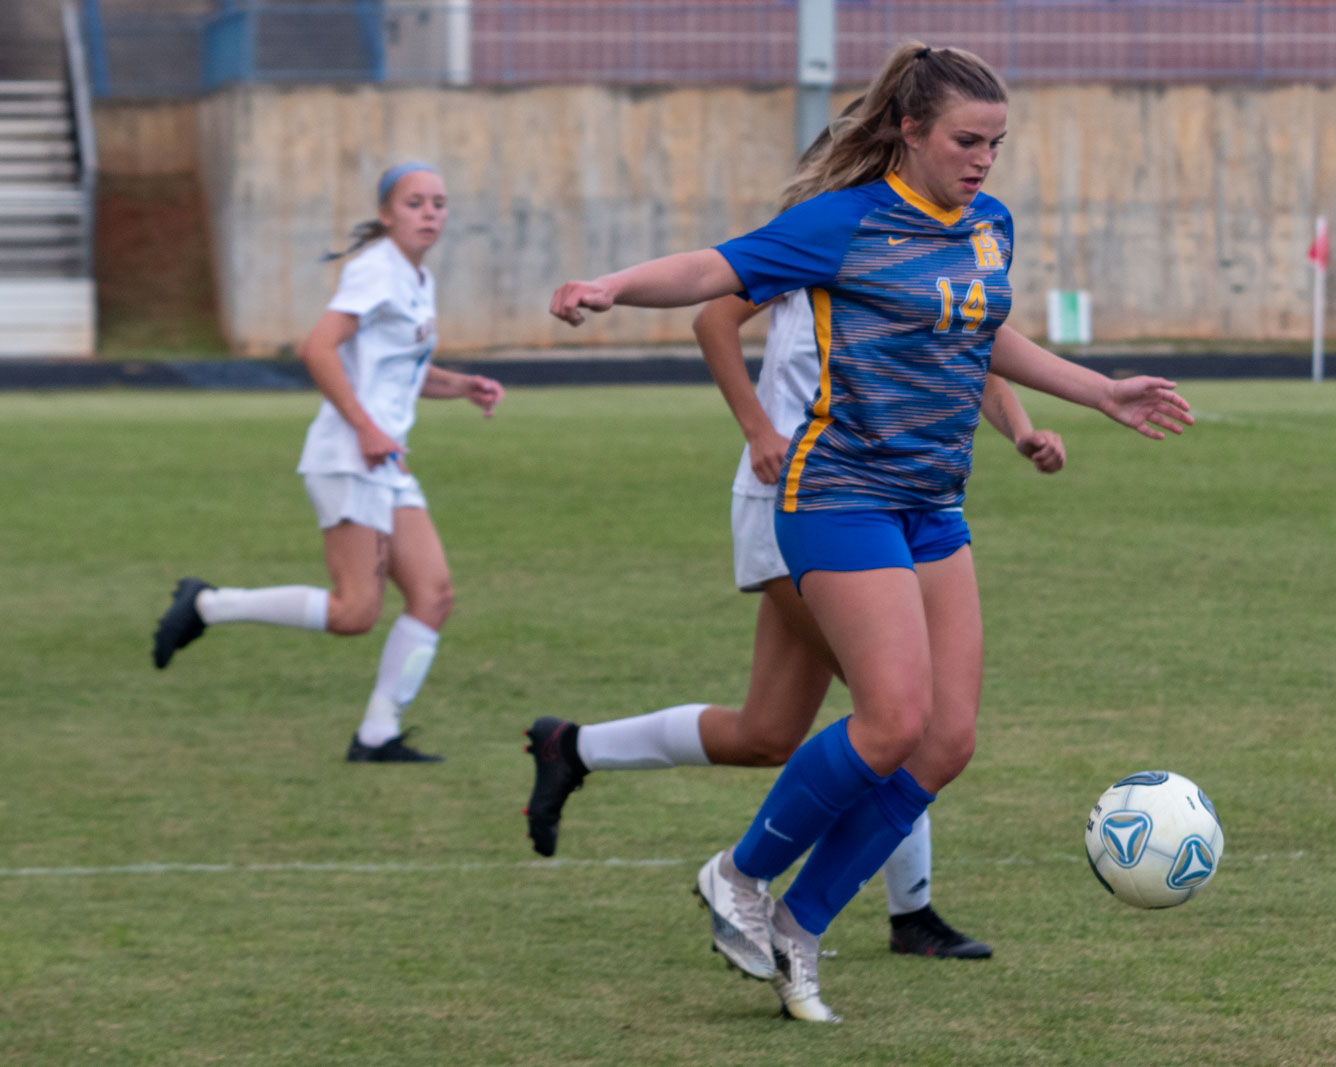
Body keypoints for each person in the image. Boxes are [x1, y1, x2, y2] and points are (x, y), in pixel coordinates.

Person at [547, 42, 1192, 1022]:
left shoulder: (989, 225)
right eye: (966, 141)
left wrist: (1098, 390)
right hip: (837, 495)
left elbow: (983, 329)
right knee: (889, 720)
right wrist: (610, 284)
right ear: (910, 129)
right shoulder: (843, 221)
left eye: (996, 143)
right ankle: (739, 874)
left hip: (933, 504)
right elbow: (713, 271)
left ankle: (800, 926)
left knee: (945, 740)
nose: (983, 159)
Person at [522, 281, 1065, 959]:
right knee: (901, 712)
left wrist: (1022, 430)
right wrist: (757, 428)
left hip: (865, 511)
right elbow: (714, 318)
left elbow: (964, 347)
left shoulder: (920, 251)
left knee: (768, 731)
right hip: (800, 503)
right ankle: (906, 912)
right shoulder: (823, 240)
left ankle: (571, 747)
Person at [152, 162, 505, 765]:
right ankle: (208, 605)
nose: (430, 213)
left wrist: (462, 385)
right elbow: (318, 348)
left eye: (439, 203)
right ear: (386, 213)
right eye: (415, 203)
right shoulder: (376, 269)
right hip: (349, 457)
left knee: (434, 595)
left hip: (386, 460)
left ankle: (377, 735)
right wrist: (366, 428)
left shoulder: (416, 277)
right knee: (354, 612)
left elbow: (397, 369)